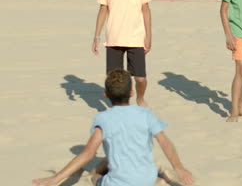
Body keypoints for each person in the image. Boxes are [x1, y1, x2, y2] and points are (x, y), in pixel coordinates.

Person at [32, 69, 194, 186]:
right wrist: (178, 168)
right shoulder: (145, 114)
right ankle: (159, 181)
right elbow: (165, 143)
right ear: (131, 93)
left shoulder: (103, 119)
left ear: (106, 95)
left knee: (95, 176)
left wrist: (55, 179)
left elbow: (88, 154)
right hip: (147, 180)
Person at [92, 0, 152, 107]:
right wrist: (96, 36)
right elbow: (103, 10)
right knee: (114, 79)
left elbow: (145, 10)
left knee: (140, 77)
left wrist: (149, 36)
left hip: (136, 38)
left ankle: (140, 98)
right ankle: (118, 105)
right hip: (114, 38)